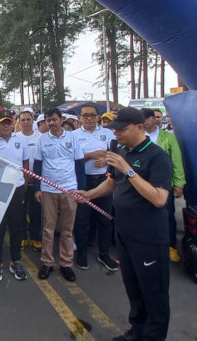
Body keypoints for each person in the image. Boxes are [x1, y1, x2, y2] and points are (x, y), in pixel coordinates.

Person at [78, 107, 173, 341]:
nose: (116, 133)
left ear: (140, 127)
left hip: (149, 237)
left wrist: (128, 170)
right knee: (133, 288)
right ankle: (136, 332)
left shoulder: (157, 156)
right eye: (114, 129)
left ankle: (153, 337)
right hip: (124, 232)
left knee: (154, 293)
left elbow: (159, 199)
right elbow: (112, 183)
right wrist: (88, 194)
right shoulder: (121, 151)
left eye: (121, 129)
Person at [33, 108, 84, 282]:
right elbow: (38, 166)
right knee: (48, 228)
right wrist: (37, 189)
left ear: (61, 119)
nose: (51, 123)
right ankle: (47, 262)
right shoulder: (42, 139)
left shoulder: (73, 138)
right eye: (48, 120)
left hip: (70, 189)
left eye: (54, 119)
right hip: (48, 190)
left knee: (67, 230)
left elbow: (79, 165)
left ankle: (66, 264)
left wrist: (81, 189)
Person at [0, 110, 30, 282]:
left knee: (17, 227)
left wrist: (24, 183)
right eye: (3, 123)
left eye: (9, 122)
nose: (7, 125)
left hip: (17, 190)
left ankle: (16, 260)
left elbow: (25, 163)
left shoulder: (21, 140)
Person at [74, 103, 119, 272]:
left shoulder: (108, 133)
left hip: (104, 181)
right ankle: (82, 252)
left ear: (98, 117)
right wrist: (91, 155)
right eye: (85, 115)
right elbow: (73, 158)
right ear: (80, 117)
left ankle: (104, 253)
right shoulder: (74, 135)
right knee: (82, 219)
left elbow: (116, 153)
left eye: (92, 115)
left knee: (104, 218)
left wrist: (107, 159)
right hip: (83, 180)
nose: (89, 118)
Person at [142, 108, 186, 262]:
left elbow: (176, 161)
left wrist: (179, 183)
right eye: (142, 118)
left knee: (167, 216)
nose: (145, 121)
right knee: (144, 217)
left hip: (163, 185)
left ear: (155, 119)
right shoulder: (138, 137)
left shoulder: (167, 138)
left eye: (148, 118)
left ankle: (170, 247)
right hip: (142, 185)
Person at [17, 109, 42, 252]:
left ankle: (35, 237)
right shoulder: (15, 137)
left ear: (33, 121)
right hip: (21, 182)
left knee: (35, 211)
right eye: (23, 120)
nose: (26, 122)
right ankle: (22, 236)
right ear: (19, 122)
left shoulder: (41, 137)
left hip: (37, 182)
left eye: (28, 119)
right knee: (20, 211)